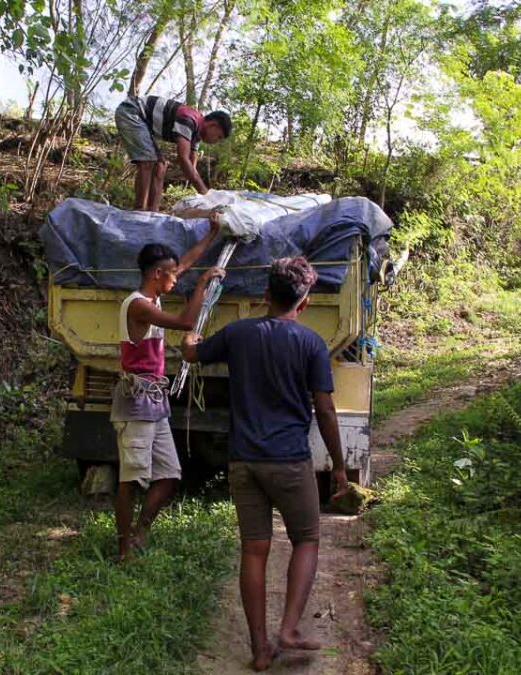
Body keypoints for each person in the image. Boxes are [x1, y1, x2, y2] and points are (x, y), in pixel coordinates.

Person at [181, 256, 350, 671]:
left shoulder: (238, 333)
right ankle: (289, 628)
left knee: (254, 551)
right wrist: (340, 466)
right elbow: (325, 411)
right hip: (290, 461)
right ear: (305, 302)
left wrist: (189, 337)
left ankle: (259, 648)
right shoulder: (311, 344)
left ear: (264, 295)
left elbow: (192, 355)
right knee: (307, 539)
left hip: (243, 462)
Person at [112, 223, 225, 561]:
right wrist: (203, 284)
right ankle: (122, 549)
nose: (179, 279)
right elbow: (186, 322)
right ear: (157, 274)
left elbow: (186, 262)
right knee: (130, 480)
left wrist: (211, 236)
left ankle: (139, 533)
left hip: (155, 400)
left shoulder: (153, 293)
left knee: (170, 475)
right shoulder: (139, 306)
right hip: (136, 401)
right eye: (173, 275)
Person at [114, 95, 232, 212]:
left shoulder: (196, 133)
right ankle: (139, 210)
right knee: (147, 162)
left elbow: (191, 167)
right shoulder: (189, 120)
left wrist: (203, 194)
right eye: (219, 136)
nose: (216, 141)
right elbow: (183, 158)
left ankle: (152, 212)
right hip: (131, 111)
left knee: (160, 166)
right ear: (213, 125)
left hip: (144, 122)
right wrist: (205, 194)